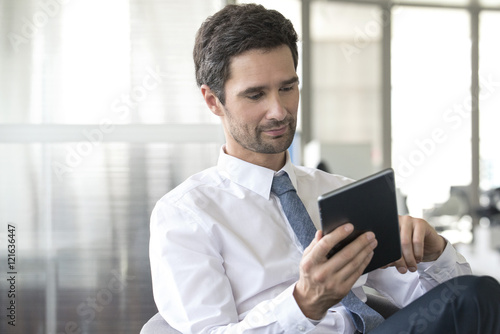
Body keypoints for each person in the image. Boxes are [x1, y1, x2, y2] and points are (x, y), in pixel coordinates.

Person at [149, 4, 500, 333]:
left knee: (476, 294)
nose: (279, 110)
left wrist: (433, 252)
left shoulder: (337, 191)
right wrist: (305, 302)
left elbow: (431, 304)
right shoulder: (185, 216)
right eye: (255, 95)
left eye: (288, 87)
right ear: (213, 101)